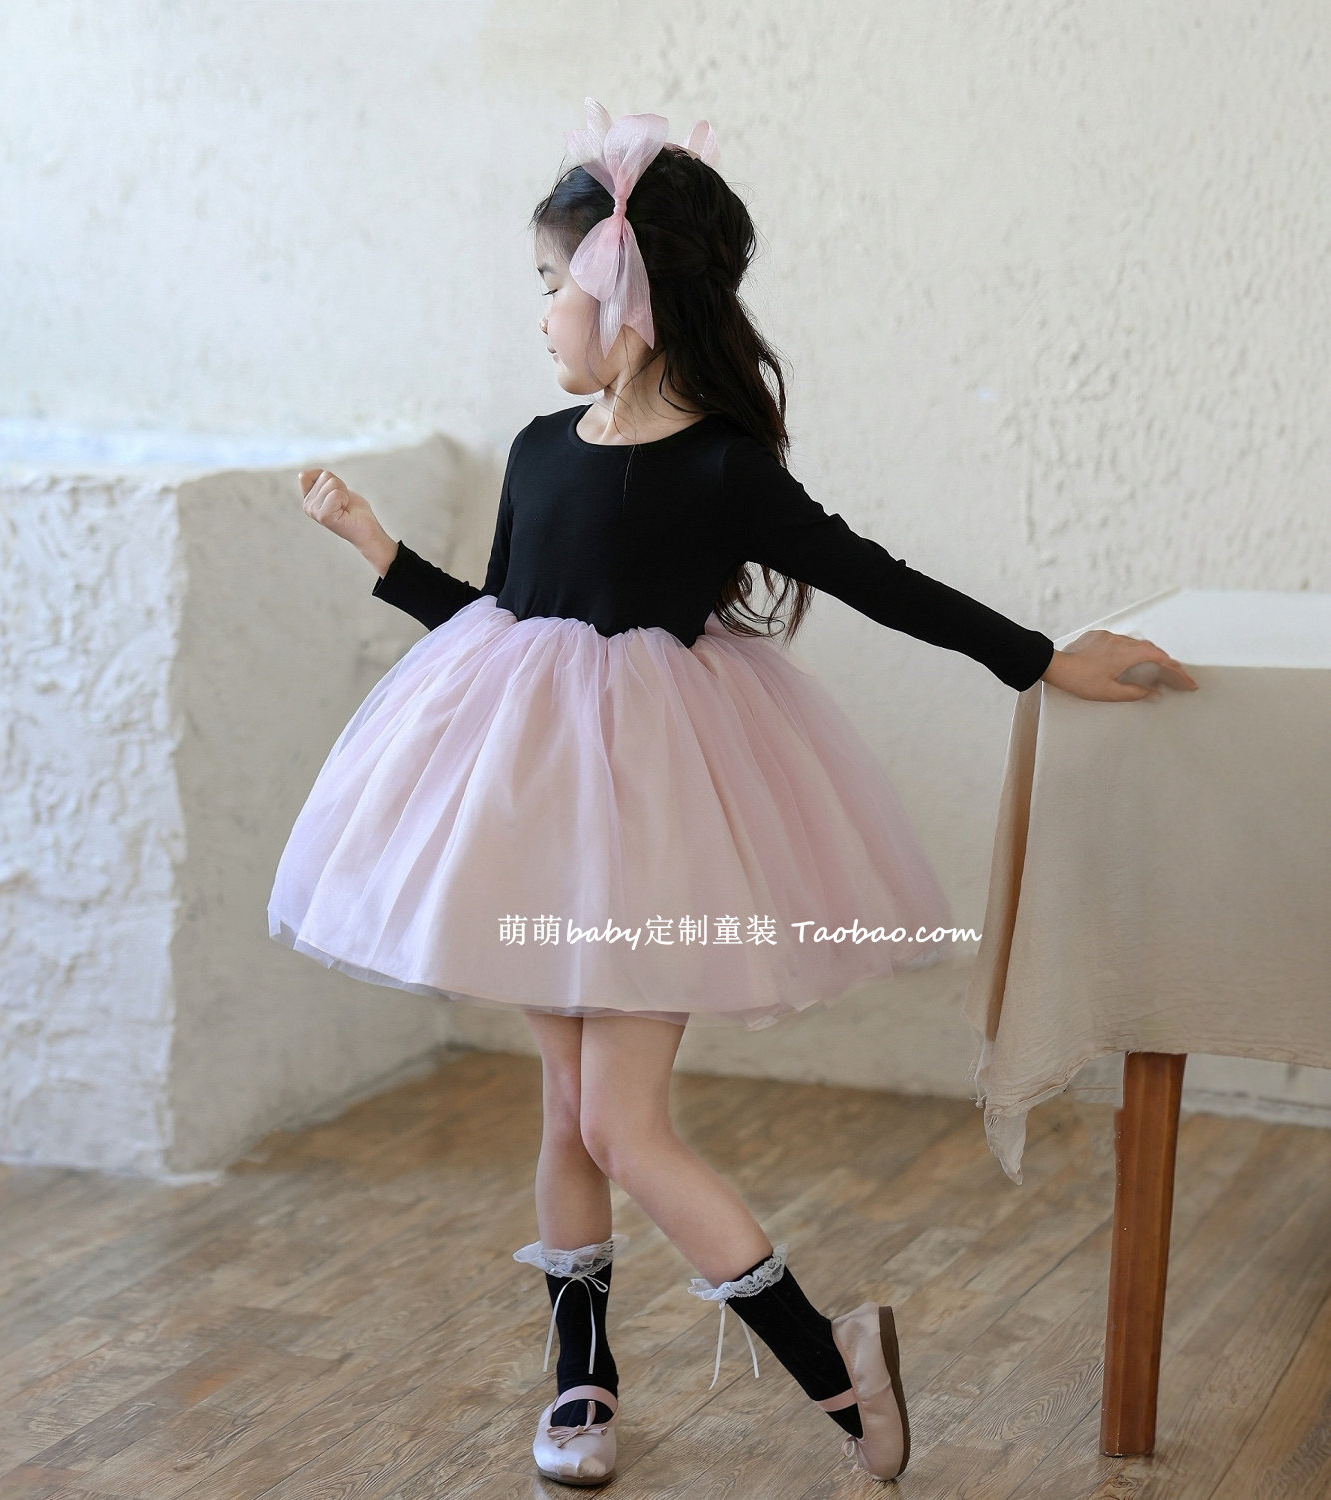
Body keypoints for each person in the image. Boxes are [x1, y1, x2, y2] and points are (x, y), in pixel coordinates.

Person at [268, 99, 1197, 1487]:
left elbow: (875, 578)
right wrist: (378, 549)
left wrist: (1042, 658)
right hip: (537, 821)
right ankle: (583, 1380)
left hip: (656, 832)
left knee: (619, 1123)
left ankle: (834, 1368)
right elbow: (500, 618)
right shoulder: (537, 449)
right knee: (566, 1108)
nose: (538, 312)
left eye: (551, 282)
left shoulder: (720, 468)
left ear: (624, 301)